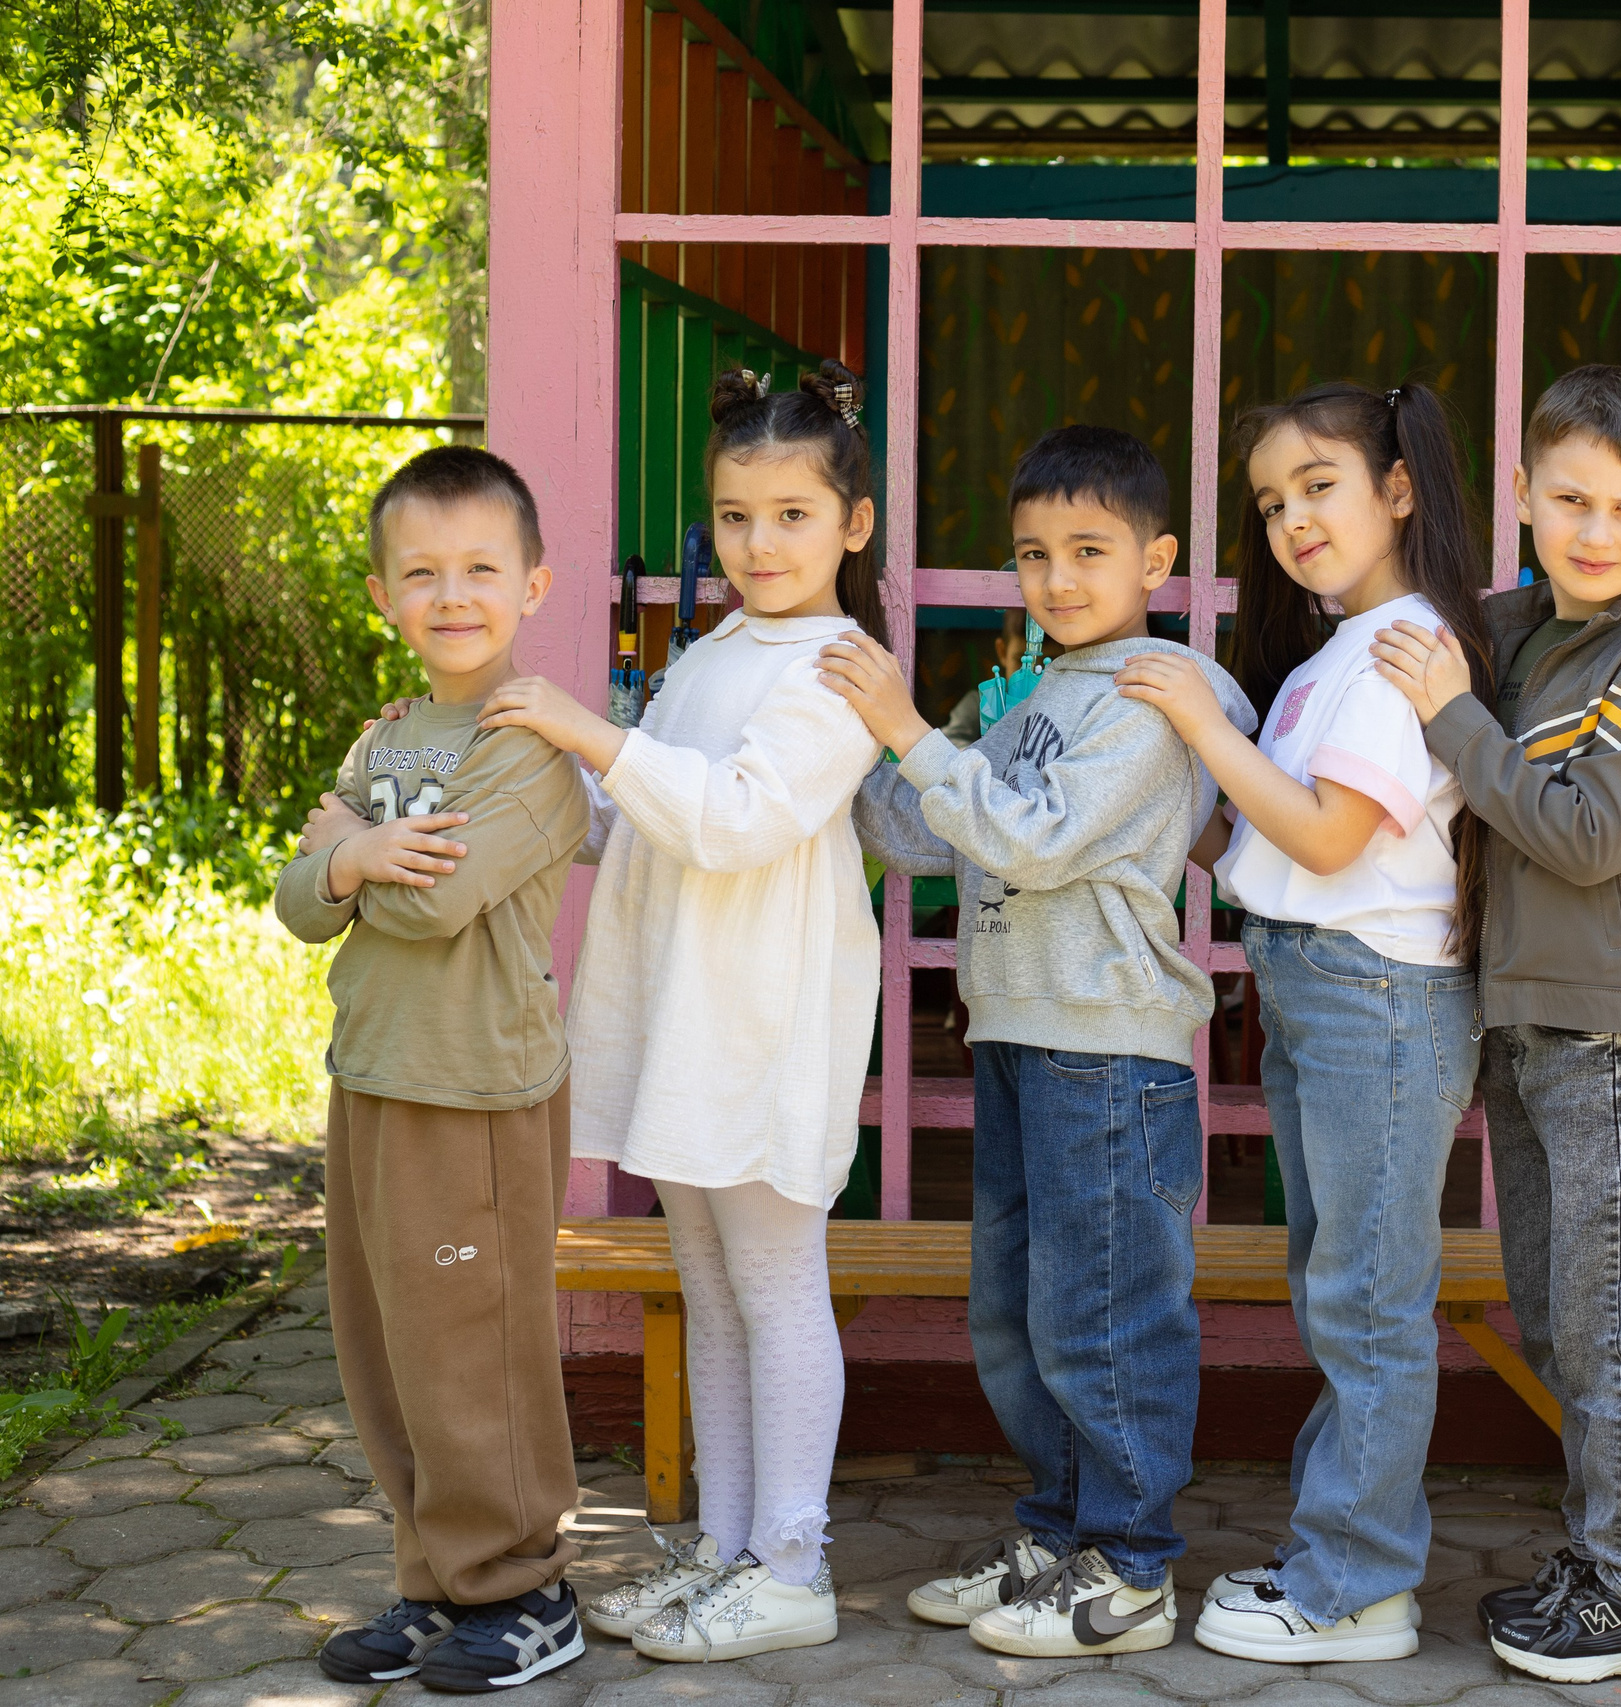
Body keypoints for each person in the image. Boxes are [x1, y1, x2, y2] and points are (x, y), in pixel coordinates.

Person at [472, 360, 887, 1663]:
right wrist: (530, 765)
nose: (759, 544)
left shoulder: (840, 667)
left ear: (853, 524)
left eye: (793, 515)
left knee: (773, 1283)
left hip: (761, 1025)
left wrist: (591, 735)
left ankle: (794, 1562)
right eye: (736, 515)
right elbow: (635, 814)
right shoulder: (714, 649)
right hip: (683, 1020)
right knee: (707, 1288)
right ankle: (728, 1548)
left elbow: (736, 817)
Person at [821, 425, 1254, 1659]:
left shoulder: (1154, 694)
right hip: (1020, 1031)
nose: (1057, 579)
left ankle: (1130, 1564)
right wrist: (859, 738)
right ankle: (1060, 1533)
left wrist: (913, 732)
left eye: (1089, 551)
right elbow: (925, 839)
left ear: (1156, 559)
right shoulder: (1034, 693)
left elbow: (1032, 842)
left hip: (1107, 1047)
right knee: (1016, 1312)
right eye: (1032, 554)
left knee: (1105, 1312)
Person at [1107, 379, 1490, 1664]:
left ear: (1397, 487)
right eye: (1270, 501)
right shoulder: (1343, 646)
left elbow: (1326, 838)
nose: (1291, 519)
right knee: (1342, 1291)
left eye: (1318, 486)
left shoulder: (1398, 651)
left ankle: (1359, 1586)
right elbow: (1265, 841)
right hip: (1321, 990)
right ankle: (1337, 1553)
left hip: (1375, 998)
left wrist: (1203, 723)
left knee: (1370, 1303)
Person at [1370, 362, 1621, 1687]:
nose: (1595, 528)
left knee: (1617, 1313)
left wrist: (1453, 719)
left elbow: (1585, 836)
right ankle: (1605, 1553)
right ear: (1522, 492)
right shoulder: (1508, 625)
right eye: (1568, 496)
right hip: (1523, 1021)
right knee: (1558, 1308)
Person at [278, 445, 591, 1693]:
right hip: (373, 1075)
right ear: (382, 595)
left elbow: (440, 897)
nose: (451, 595)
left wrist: (353, 853)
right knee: (386, 1348)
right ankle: (434, 1582)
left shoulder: (530, 744)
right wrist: (353, 859)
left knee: (474, 1352)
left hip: (480, 1092)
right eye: (421, 572)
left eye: (479, 569)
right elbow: (302, 902)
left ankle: (525, 1589)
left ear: (533, 585)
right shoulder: (385, 736)